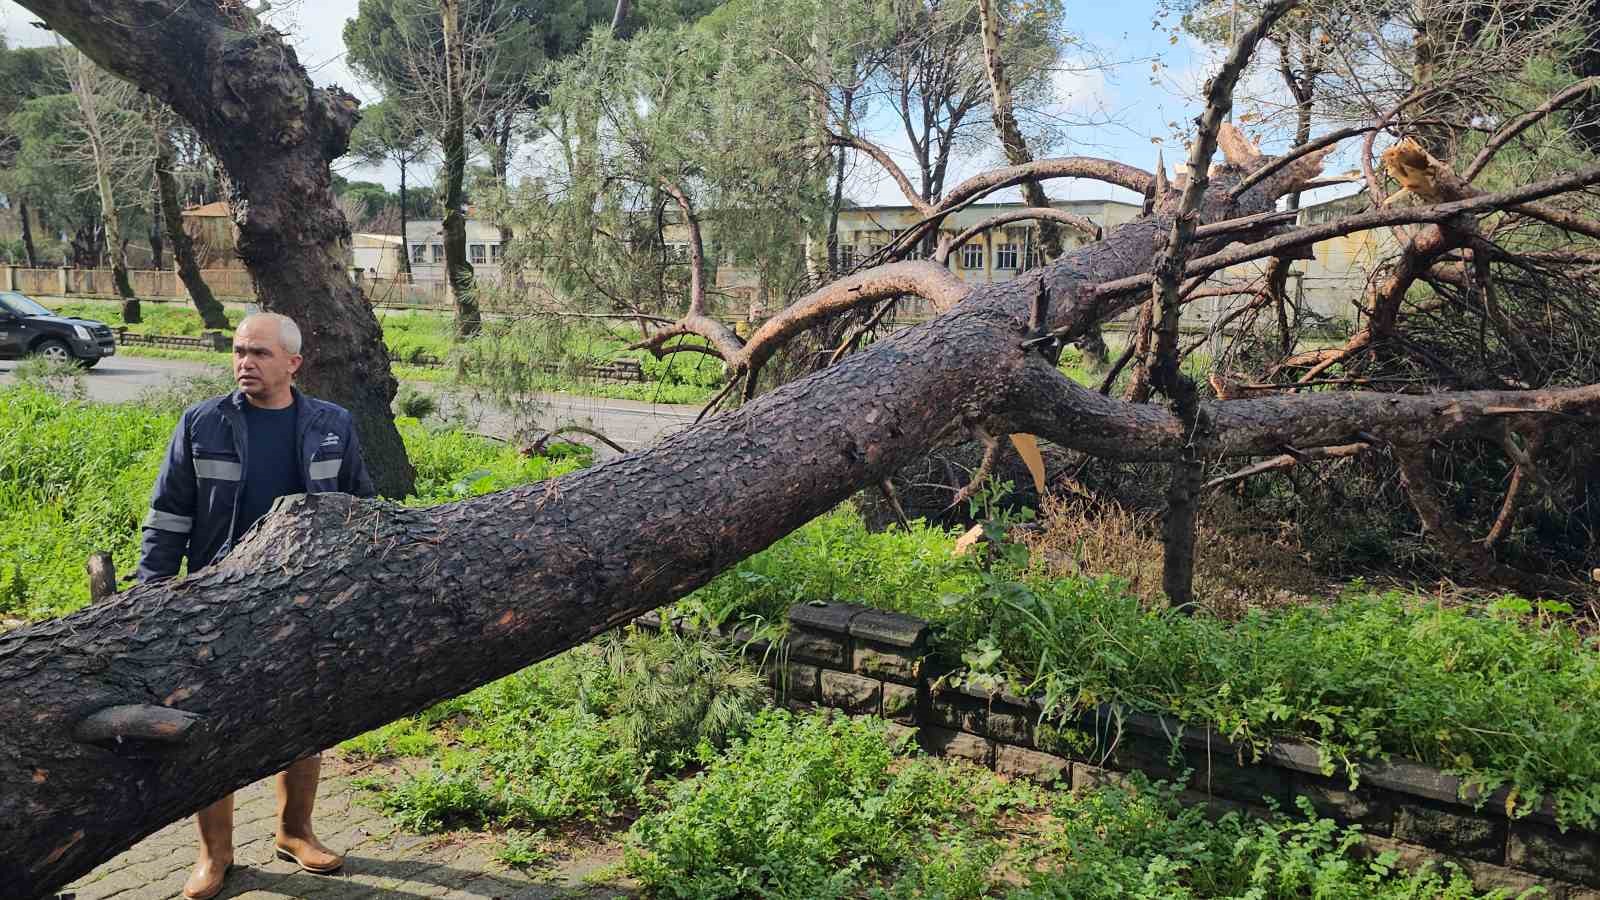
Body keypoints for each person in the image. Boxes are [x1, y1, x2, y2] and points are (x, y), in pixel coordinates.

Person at [137, 312, 375, 900]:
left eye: (260, 353)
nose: (245, 362)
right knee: (209, 728)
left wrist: (361, 581)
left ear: (293, 363)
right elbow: (169, 514)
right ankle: (214, 855)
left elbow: (362, 506)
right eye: (240, 351)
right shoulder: (203, 423)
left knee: (305, 718)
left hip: (305, 596)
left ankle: (296, 833)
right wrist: (151, 596)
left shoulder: (332, 424)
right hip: (217, 599)